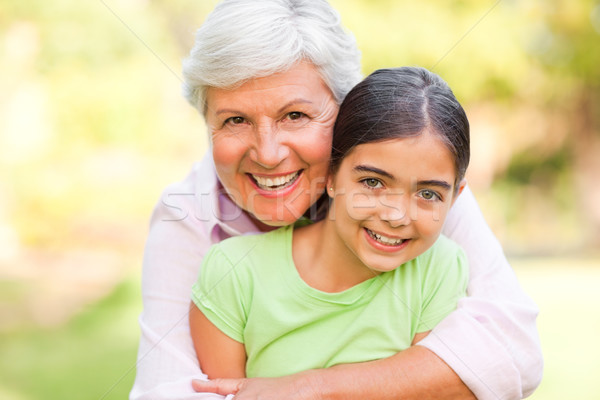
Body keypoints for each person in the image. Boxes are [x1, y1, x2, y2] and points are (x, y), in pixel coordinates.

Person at [130, 1, 543, 399]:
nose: (268, 153)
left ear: (346, 108)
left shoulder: (415, 186)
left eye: (295, 116)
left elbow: (512, 352)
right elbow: (168, 390)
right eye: (235, 120)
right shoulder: (185, 216)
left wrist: (311, 389)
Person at [189, 66, 471, 381]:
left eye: (428, 193)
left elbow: (432, 388)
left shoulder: (439, 268)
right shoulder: (233, 273)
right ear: (332, 176)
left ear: (455, 198)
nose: (396, 215)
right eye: (373, 182)